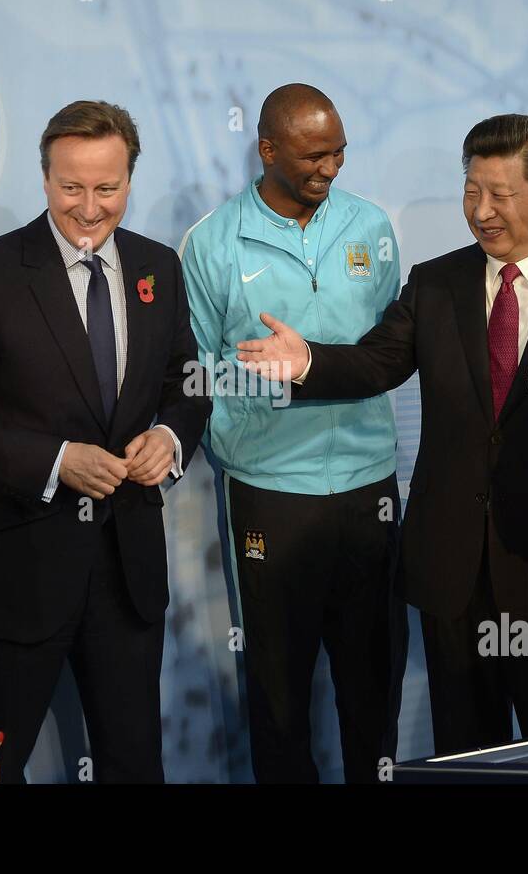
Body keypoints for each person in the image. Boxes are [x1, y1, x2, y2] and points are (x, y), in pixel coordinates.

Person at [235, 114, 528, 753]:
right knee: (465, 750)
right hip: (453, 573)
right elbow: (376, 362)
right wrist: (307, 360)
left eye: (499, 195)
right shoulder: (437, 282)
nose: (481, 211)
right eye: (471, 192)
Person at [0, 100, 211, 783]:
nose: (88, 207)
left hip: (128, 576)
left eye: (107, 188)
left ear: (129, 181)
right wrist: (55, 461)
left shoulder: (158, 266)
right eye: (71, 187)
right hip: (14, 573)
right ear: (44, 179)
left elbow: (187, 380)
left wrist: (169, 434)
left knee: (134, 765)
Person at [181, 84, 404, 782]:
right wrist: (274, 378)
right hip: (271, 495)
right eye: (313, 155)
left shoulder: (371, 227)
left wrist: (313, 365)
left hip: (370, 487)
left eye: (338, 151)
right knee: (279, 696)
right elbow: (193, 374)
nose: (330, 168)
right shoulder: (212, 242)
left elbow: (389, 352)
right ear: (268, 150)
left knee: (374, 687)